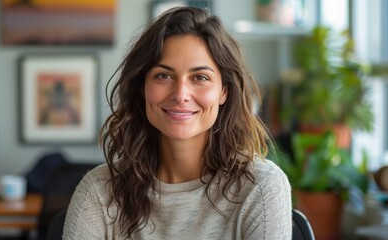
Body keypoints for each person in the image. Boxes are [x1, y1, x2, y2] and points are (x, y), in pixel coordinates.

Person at [63, 7, 292, 239]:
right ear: (142, 88)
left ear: (224, 91)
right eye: (164, 75)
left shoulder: (261, 187)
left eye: (200, 77)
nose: (180, 94)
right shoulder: (99, 192)